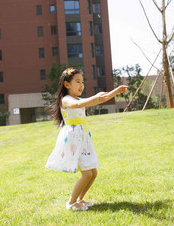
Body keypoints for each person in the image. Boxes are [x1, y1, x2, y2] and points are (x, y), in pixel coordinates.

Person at [45, 67, 128, 211]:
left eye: (82, 82)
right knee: (87, 173)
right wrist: (94, 98)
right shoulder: (66, 100)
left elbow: (101, 98)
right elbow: (78, 105)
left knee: (93, 173)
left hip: (83, 138)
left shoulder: (78, 99)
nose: (81, 85)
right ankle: (71, 202)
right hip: (73, 140)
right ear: (67, 84)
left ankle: (80, 199)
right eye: (78, 81)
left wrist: (117, 91)